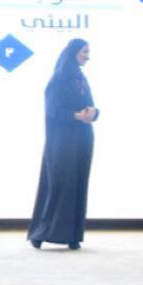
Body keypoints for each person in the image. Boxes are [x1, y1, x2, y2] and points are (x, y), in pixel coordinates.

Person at [28, 38, 98, 251]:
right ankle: (42, 233)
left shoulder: (81, 79)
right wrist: (76, 115)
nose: (88, 57)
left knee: (78, 184)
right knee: (59, 184)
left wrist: (93, 112)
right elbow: (53, 111)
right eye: (84, 52)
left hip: (83, 138)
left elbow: (90, 105)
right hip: (62, 141)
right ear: (73, 53)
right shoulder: (58, 80)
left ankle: (72, 235)